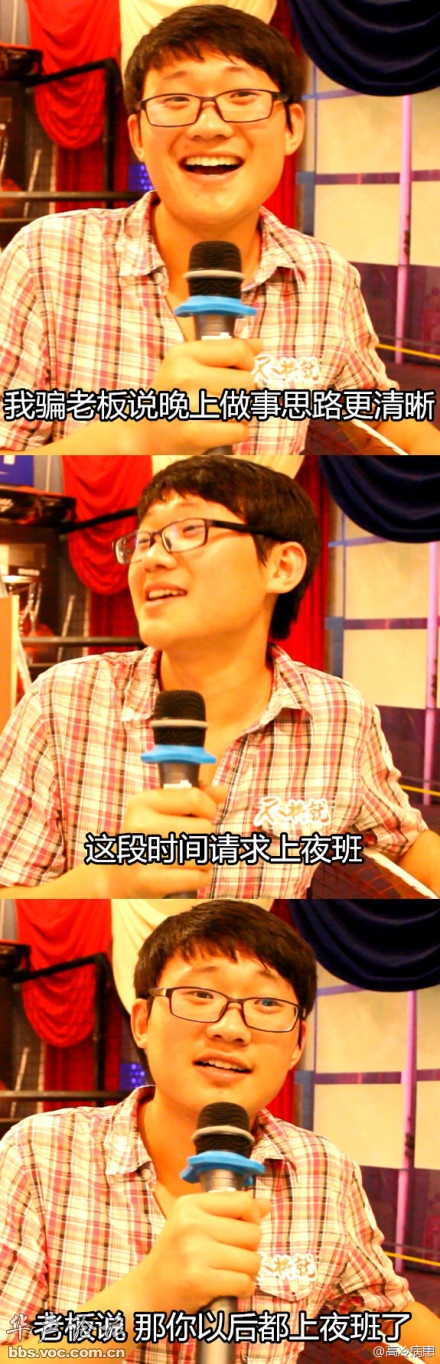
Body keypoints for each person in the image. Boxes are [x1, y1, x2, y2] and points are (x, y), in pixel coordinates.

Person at [1, 901, 439, 1362]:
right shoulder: (41, 1152)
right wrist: (142, 1298)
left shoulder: (322, 1169)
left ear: (297, 1044)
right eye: (200, 995)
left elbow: (384, 1318)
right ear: (143, 1023)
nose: (231, 1029)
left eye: (267, 1003)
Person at [0, 5, 439, 460]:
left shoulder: (324, 276)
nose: (209, 126)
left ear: (292, 128)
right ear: (138, 136)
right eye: (176, 100)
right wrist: (140, 436)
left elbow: (381, 421)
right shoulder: (48, 255)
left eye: (243, 95)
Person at [1, 455, 439, 900]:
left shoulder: (340, 713)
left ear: (282, 567)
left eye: (189, 530)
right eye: (144, 540)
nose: (151, 558)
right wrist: (106, 882)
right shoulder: (65, 699)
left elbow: (406, 845)